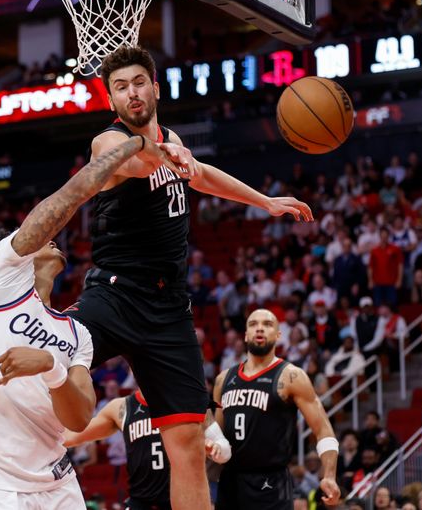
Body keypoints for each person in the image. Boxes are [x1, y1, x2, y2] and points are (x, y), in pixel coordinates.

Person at [64, 46, 312, 510]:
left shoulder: (170, 137)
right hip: (116, 296)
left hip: (169, 312)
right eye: (120, 87)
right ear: (111, 100)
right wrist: (164, 151)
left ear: (155, 88)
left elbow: (200, 176)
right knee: (47, 359)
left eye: (139, 83)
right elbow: (135, 163)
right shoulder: (107, 141)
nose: (132, 93)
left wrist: (266, 202)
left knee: (188, 446)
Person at [0, 134, 184, 509]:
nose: (53, 241)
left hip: (55, 477)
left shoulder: (74, 332)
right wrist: (131, 145)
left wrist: (52, 368)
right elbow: (67, 200)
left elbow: (81, 416)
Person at [212, 309, 340, 509]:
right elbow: (214, 435)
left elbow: (323, 429)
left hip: (271, 481)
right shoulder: (223, 380)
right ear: (245, 335)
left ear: (279, 335)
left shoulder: (291, 376)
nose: (260, 328)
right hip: (230, 480)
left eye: (268, 324)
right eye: (253, 324)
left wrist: (330, 475)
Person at [62, 391, 231, 509]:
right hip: (140, 502)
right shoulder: (121, 407)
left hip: (182, 502)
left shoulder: (189, 399)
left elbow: (224, 452)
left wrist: (215, 449)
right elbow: (72, 437)